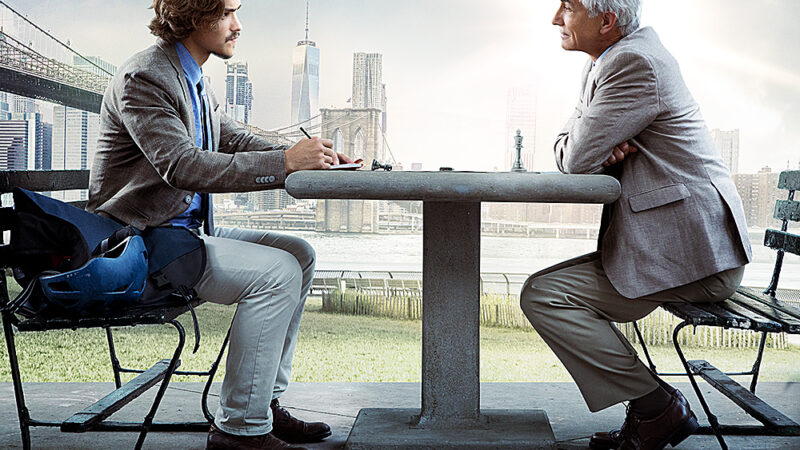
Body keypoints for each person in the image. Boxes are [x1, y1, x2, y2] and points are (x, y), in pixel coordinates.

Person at [87, 0, 353, 448]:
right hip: (140, 244)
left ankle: (261, 402)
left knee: (298, 255)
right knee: (277, 273)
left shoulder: (190, 75)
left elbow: (232, 136)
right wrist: (286, 162)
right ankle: (240, 433)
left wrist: (312, 157)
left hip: (181, 235)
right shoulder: (145, 77)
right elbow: (183, 166)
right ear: (194, 15)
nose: (238, 25)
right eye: (227, 13)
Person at [520, 1, 752, 449]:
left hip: (697, 260)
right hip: (680, 250)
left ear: (606, 22)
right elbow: (575, 147)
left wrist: (589, 145)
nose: (555, 19)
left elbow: (575, 159)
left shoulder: (633, 63)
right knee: (546, 292)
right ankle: (653, 408)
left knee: (546, 295)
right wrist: (590, 143)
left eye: (568, 8)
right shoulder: (610, 62)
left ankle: (656, 409)